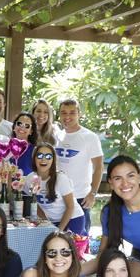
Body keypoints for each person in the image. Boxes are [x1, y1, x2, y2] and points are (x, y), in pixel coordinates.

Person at [55, 99, 104, 232]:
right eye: (64, 113)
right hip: (59, 197)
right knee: (58, 237)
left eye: (72, 113)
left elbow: (99, 167)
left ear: (79, 114)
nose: (67, 116)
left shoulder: (90, 137)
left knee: (79, 239)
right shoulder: (57, 136)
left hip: (80, 197)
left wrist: (93, 193)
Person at [24, 143, 85, 233]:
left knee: (64, 242)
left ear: (53, 160)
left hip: (72, 218)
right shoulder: (30, 179)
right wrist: (46, 223)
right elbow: (35, 203)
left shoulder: (61, 179)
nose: (43, 159)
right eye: (39, 156)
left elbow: (70, 206)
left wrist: (59, 231)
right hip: (52, 221)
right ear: (34, 158)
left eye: (48, 156)